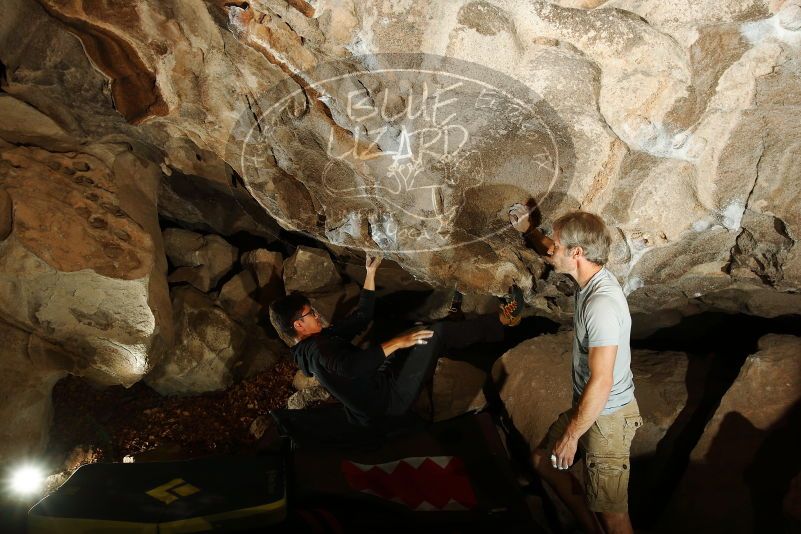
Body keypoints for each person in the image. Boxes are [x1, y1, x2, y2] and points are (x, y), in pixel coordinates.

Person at [509, 204, 643, 534]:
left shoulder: (601, 305)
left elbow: (602, 380)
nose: (550, 249)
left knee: (613, 514)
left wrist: (572, 437)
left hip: (608, 417)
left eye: (556, 245)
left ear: (578, 253)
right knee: (544, 461)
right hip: (589, 406)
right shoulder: (587, 276)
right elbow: (552, 250)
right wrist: (529, 231)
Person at [269, 255, 524, 428]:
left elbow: (362, 317)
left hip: (377, 387)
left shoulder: (317, 341)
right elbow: (353, 367)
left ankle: (458, 325)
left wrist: (370, 272)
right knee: (435, 335)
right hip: (389, 403)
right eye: (310, 314)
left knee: (417, 333)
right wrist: (398, 343)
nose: (316, 314)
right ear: (298, 326)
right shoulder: (317, 350)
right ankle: (502, 322)